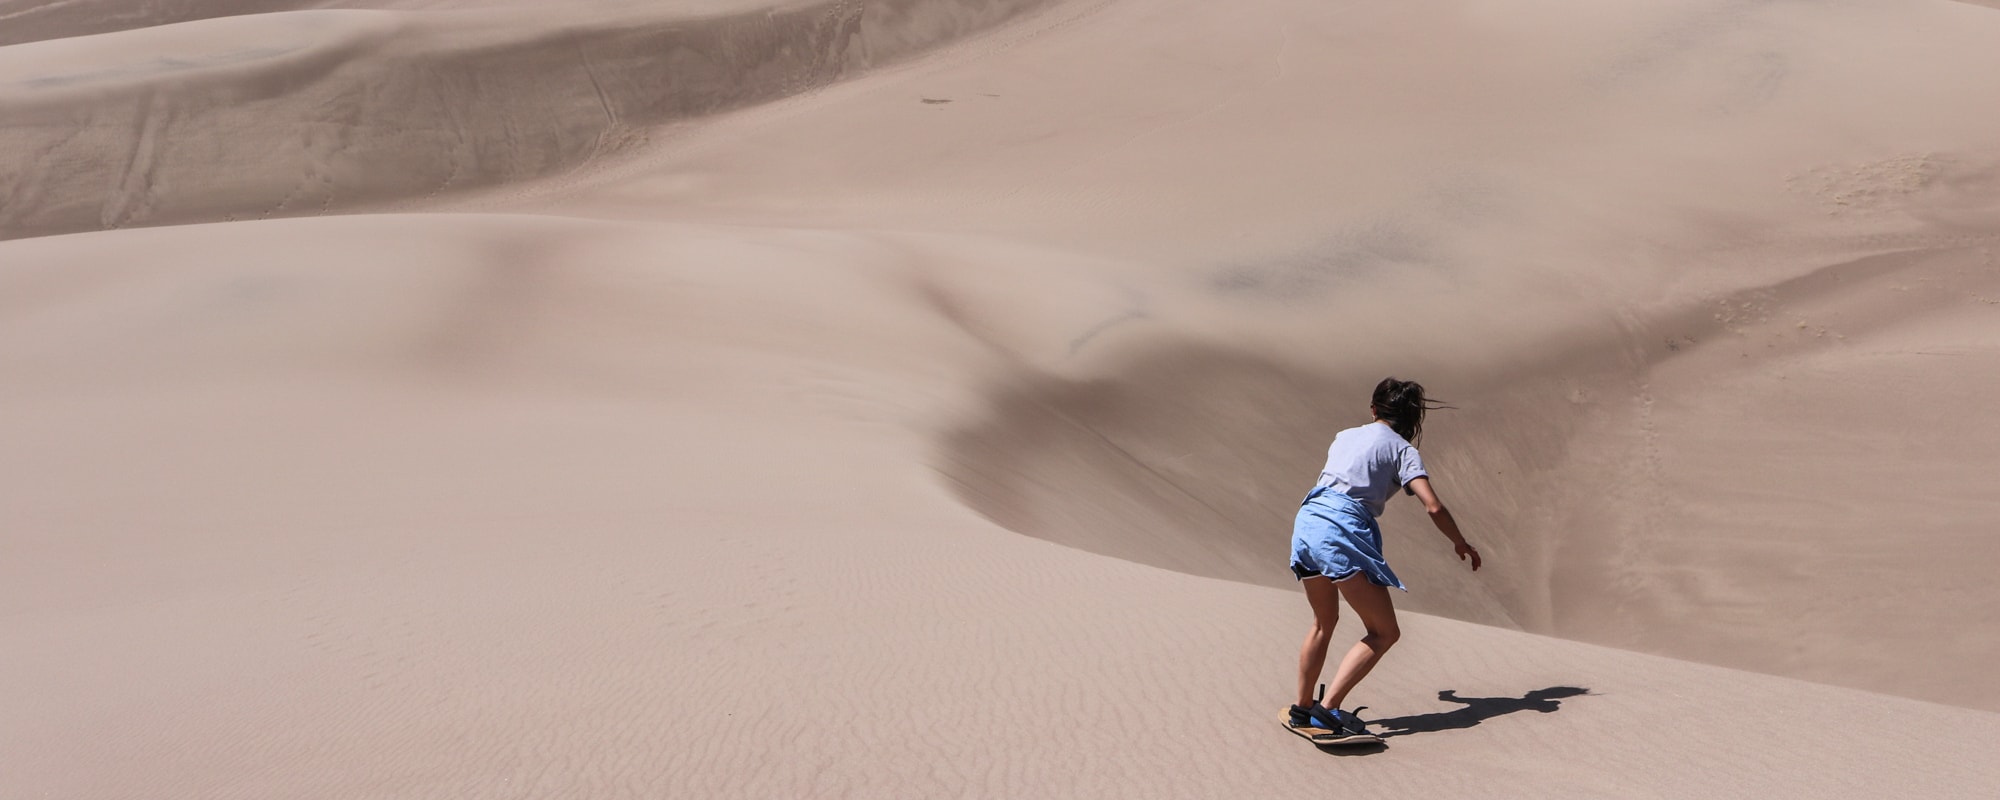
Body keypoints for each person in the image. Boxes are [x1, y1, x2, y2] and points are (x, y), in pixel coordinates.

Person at [1286, 377, 1480, 739]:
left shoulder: (1344, 435)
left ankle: (1303, 707)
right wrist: (1460, 542)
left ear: (1374, 408)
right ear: (1411, 418)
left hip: (1308, 521)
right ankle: (1327, 712)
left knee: (1322, 623)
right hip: (1342, 531)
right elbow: (1433, 505)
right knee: (1384, 632)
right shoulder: (1403, 450)